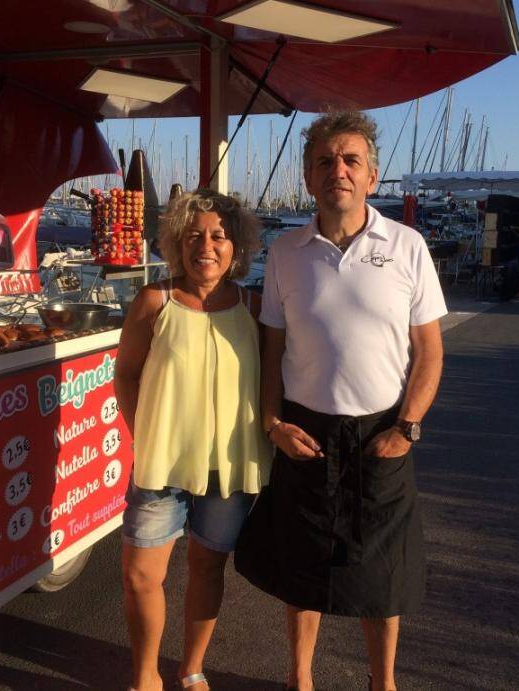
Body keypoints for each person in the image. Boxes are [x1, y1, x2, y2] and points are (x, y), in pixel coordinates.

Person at [234, 111, 447, 691]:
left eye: (351, 160)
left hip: (383, 430)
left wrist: (407, 428)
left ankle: (384, 683)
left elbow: (429, 352)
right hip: (304, 430)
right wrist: (273, 422)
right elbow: (270, 349)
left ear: (372, 177)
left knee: (383, 573)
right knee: (303, 567)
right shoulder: (285, 253)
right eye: (325, 161)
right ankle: (300, 679)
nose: (339, 171)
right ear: (308, 178)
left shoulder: (408, 246)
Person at [114, 189, 273, 691]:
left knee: (207, 570)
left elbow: (276, 379)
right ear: (177, 244)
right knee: (142, 574)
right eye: (194, 236)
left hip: (228, 467)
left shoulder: (255, 306)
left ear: (237, 247)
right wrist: (145, 433)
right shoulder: (154, 300)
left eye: (219, 236)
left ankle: (191, 668)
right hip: (161, 466)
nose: (206, 246)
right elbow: (126, 376)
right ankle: (145, 676)